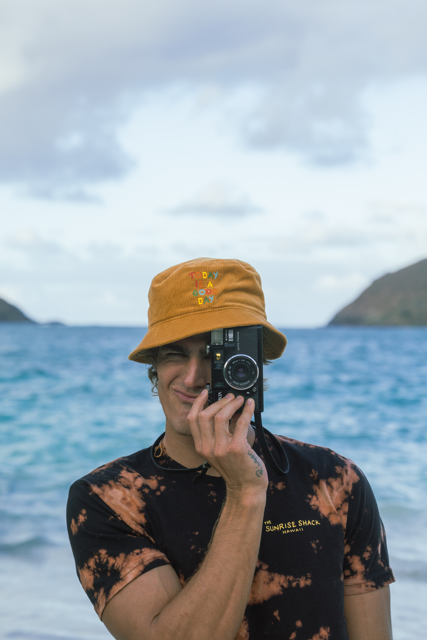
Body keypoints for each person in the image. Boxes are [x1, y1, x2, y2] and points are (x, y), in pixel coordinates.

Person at [67, 258, 395, 640]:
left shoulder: (334, 480)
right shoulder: (109, 499)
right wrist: (245, 492)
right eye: (174, 353)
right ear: (153, 366)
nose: (192, 377)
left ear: (253, 364)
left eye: (213, 355)